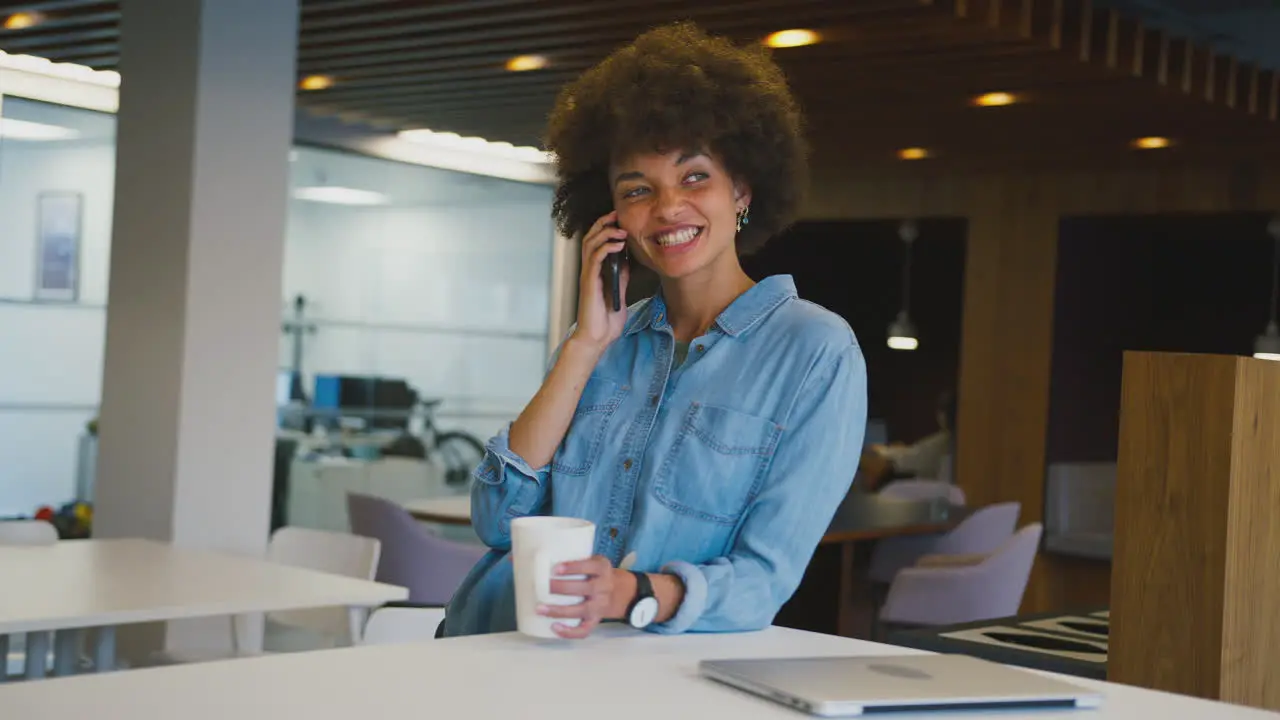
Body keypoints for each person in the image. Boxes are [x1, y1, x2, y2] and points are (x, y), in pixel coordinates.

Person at [441, 22, 867, 638]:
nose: (668, 207)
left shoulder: (816, 353)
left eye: (695, 176)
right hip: (495, 646)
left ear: (742, 189)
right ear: (612, 215)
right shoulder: (597, 342)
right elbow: (496, 520)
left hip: (649, 675)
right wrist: (585, 346)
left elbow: (764, 580)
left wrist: (634, 594)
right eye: (638, 189)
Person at [859, 389, 956, 490]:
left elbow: (914, 455)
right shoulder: (945, 438)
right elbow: (915, 452)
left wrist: (882, 453)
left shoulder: (946, 442)